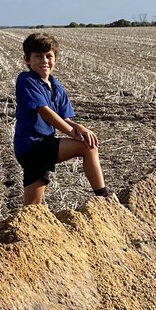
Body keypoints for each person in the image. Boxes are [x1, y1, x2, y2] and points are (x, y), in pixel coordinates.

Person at [14, 31, 110, 206]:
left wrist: (78, 127)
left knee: (31, 208)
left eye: (48, 56)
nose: (44, 61)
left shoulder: (55, 85)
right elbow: (45, 112)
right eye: (38, 56)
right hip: (31, 147)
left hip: (44, 145)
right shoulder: (26, 80)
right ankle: (104, 197)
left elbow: (64, 116)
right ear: (27, 60)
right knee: (86, 146)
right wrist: (73, 133)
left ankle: (23, 228)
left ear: (55, 60)